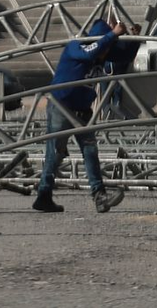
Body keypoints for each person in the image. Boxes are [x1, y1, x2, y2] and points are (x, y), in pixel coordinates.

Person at [33, 19, 131, 214]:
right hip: (61, 106)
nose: (106, 53)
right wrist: (112, 34)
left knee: (90, 150)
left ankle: (99, 195)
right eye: (105, 46)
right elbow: (89, 52)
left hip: (82, 110)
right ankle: (44, 194)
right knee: (56, 152)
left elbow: (125, 56)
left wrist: (132, 38)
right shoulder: (76, 46)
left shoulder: (99, 55)